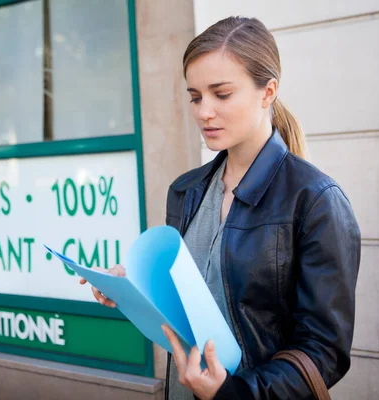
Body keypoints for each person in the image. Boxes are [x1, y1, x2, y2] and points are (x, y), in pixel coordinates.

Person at [80, 16, 361, 399]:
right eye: (195, 96)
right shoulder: (186, 191)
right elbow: (192, 303)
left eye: (221, 94)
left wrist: (234, 392)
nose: (203, 112)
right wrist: (130, 288)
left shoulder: (316, 200)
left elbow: (325, 351)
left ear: (268, 92)